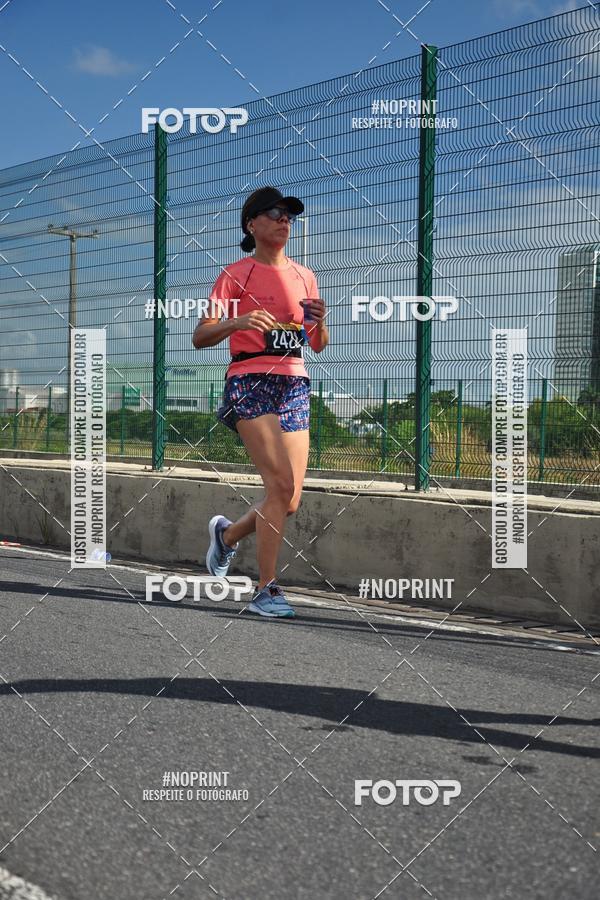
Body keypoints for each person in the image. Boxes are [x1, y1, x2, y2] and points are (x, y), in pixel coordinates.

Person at [192, 187, 329, 618]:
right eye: (274, 213)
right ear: (252, 224)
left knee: (288, 499)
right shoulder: (234, 275)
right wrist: (240, 320)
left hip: (294, 382)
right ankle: (267, 590)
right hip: (250, 380)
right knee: (280, 487)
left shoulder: (306, 276)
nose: (283, 219)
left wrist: (319, 324)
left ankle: (227, 537)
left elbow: (317, 345)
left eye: (289, 214)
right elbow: (201, 336)